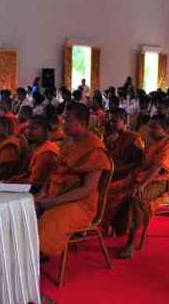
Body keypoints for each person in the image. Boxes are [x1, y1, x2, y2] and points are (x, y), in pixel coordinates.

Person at [36, 103, 111, 258]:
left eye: (69, 120)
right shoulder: (68, 141)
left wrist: (53, 202)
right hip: (57, 192)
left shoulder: (94, 148)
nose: (64, 123)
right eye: (64, 119)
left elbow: (87, 189)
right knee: (27, 207)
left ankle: (37, 256)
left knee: (50, 219)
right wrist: (44, 192)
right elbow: (55, 172)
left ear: (83, 124)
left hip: (81, 202)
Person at [107, 114, 169, 259]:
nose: (150, 131)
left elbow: (157, 167)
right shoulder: (152, 142)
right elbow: (144, 163)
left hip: (158, 182)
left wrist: (141, 185)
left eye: (154, 128)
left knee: (135, 198)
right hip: (141, 177)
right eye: (150, 127)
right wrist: (132, 175)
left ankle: (131, 242)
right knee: (110, 189)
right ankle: (110, 225)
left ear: (166, 129)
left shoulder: (168, 143)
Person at [8, 115, 60, 194]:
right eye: (28, 128)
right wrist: (16, 180)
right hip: (29, 185)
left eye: (33, 128)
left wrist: (11, 187)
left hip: (37, 193)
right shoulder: (36, 147)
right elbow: (29, 174)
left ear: (45, 130)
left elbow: (36, 186)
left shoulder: (47, 153)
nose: (29, 131)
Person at [106, 108, 145, 181]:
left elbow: (138, 163)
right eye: (110, 121)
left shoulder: (135, 138)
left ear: (124, 122)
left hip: (124, 174)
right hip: (113, 168)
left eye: (114, 122)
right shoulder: (114, 137)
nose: (111, 124)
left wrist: (116, 171)